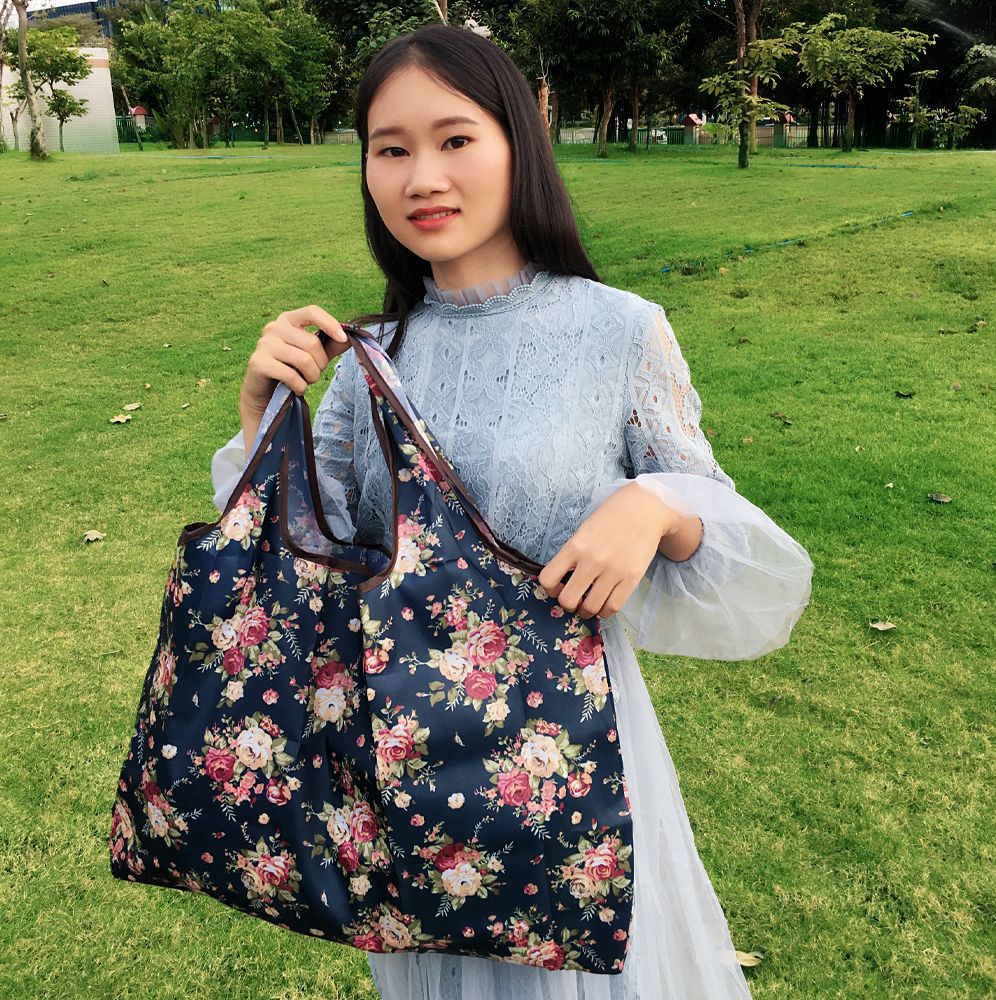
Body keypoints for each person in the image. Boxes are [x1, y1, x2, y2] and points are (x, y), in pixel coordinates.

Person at [210, 23, 814, 1000]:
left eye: (455, 139)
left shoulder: (619, 331)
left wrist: (657, 503)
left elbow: (727, 551)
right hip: (408, 766)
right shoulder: (371, 361)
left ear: (517, 142)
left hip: (570, 763)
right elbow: (296, 576)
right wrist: (259, 422)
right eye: (390, 149)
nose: (422, 177)